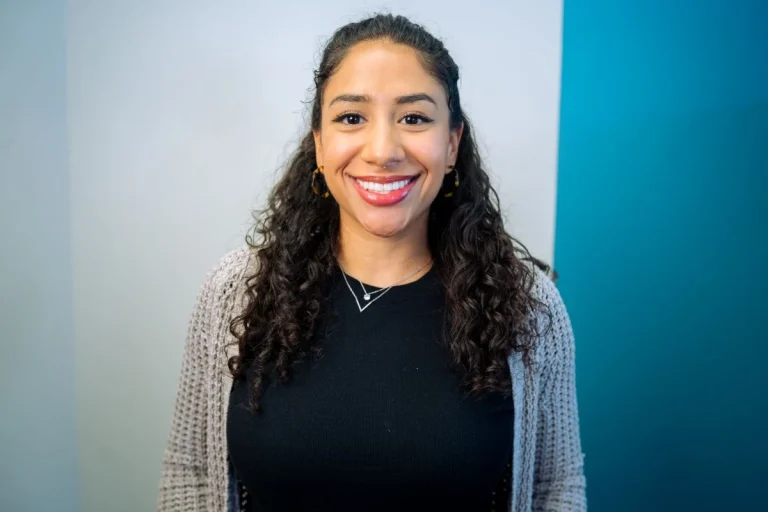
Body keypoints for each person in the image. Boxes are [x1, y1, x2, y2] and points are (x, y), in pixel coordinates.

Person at [157, 13, 585, 512]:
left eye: (414, 118)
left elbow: (554, 487)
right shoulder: (234, 292)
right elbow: (189, 470)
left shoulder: (528, 307)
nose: (383, 151)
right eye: (352, 117)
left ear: (451, 144)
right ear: (319, 144)